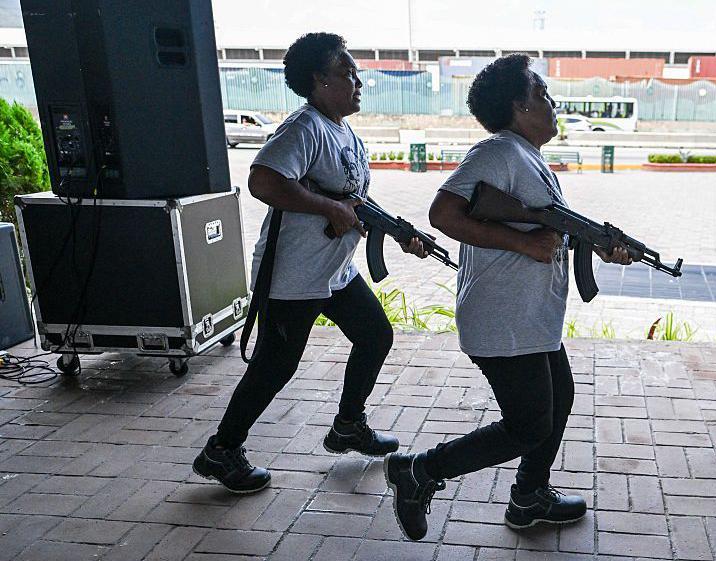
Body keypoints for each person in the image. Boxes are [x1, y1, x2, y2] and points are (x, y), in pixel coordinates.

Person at [383, 54, 633, 540]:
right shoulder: (498, 151)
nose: (553, 102)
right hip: (503, 320)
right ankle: (418, 472)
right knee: (527, 425)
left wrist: (599, 245)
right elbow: (443, 214)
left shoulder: (525, 157)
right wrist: (522, 242)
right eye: (542, 94)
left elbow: (542, 225)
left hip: (530, 319)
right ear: (520, 106)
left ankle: (528, 498)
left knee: (559, 400)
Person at [192, 32, 428, 494]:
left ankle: (347, 426)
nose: (358, 81)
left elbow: (353, 198)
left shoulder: (344, 132)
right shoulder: (303, 128)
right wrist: (330, 210)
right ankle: (221, 450)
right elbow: (263, 181)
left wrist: (398, 230)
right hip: (292, 276)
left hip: (333, 273)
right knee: (274, 367)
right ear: (319, 81)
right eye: (347, 73)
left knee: (375, 335)